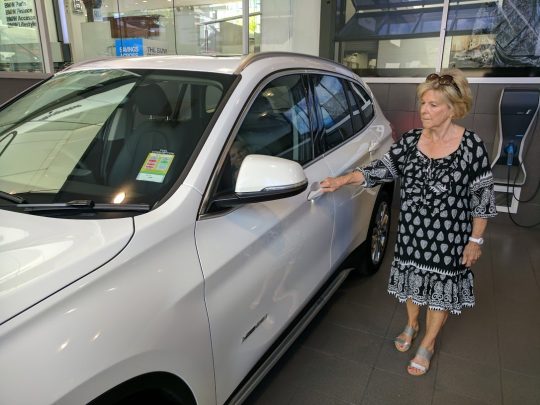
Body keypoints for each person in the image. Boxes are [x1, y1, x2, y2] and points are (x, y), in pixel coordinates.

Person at [320, 69, 497, 376]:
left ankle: (427, 343)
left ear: (453, 109)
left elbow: (482, 197)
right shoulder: (412, 141)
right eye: (423, 103)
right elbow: (381, 169)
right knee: (414, 286)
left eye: (433, 105)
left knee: (440, 290)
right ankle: (412, 324)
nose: (424, 110)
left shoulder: (472, 147)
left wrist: (475, 239)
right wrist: (343, 179)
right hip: (412, 234)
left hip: (450, 237)